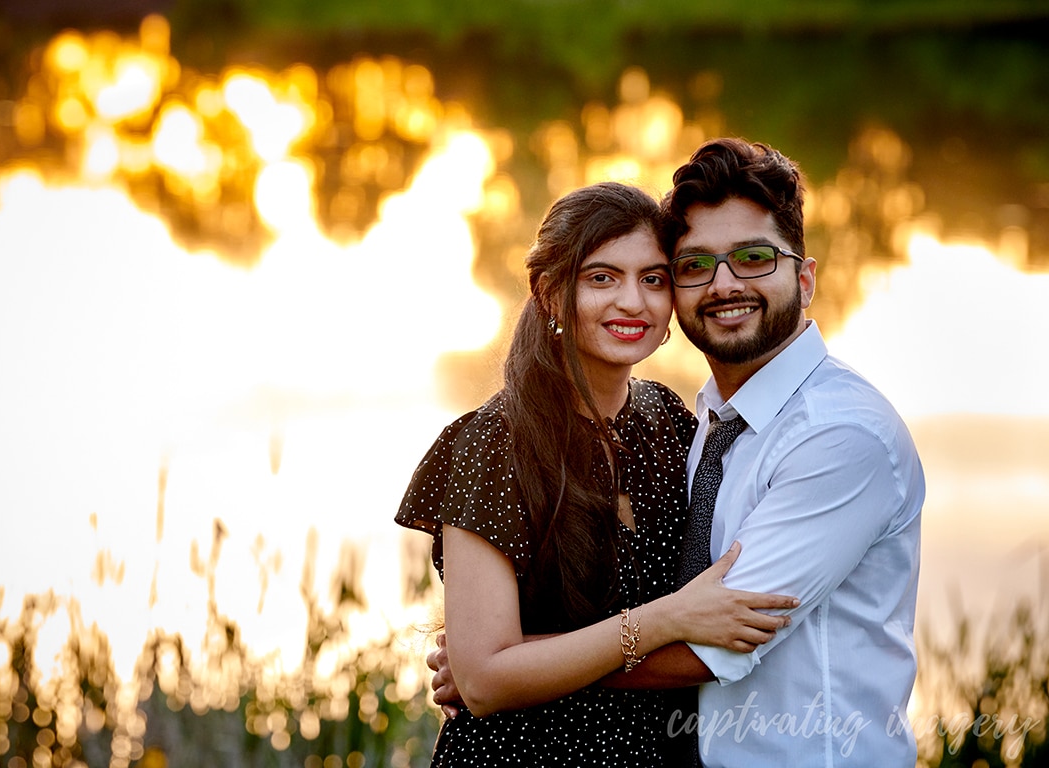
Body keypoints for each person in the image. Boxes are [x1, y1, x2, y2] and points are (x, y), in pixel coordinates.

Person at [430, 139, 926, 766]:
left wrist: (515, 663)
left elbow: (717, 642)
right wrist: (493, 669)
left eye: (752, 258)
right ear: (551, 294)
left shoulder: (831, 435)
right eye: (694, 266)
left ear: (804, 279)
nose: (723, 285)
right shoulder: (687, 423)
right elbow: (674, 617)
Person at [395, 181, 799, 766]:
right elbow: (482, 681)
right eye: (602, 278)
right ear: (552, 294)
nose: (632, 302)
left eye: (653, 279)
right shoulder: (496, 441)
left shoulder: (668, 422)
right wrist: (665, 619)